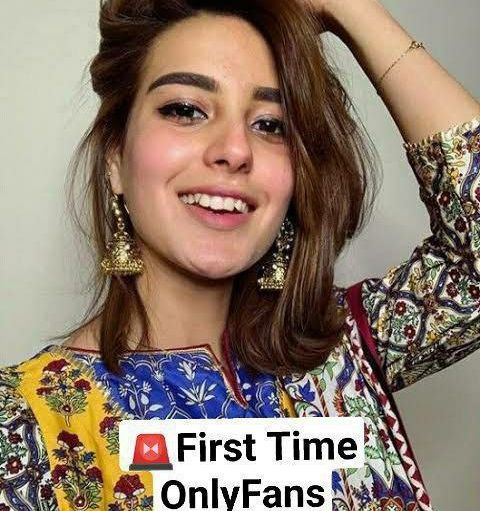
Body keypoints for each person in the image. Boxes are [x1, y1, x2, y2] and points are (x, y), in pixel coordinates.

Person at [1, 0, 479, 509]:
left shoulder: (338, 354)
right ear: (116, 156)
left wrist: (346, 8)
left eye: (270, 124)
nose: (235, 149)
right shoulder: (26, 429)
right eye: (185, 109)